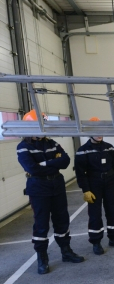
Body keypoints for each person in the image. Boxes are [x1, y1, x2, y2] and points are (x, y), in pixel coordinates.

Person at [16, 110, 85, 274]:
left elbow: (66, 161)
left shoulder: (51, 143)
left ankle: (66, 251)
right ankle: (42, 257)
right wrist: (54, 162)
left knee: (62, 219)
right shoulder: (23, 147)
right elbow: (31, 168)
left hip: (57, 185)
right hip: (39, 188)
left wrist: (44, 164)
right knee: (41, 224)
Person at [75, 117, 114, 255]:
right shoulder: (83, 151)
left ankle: (113, 238)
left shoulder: (109, 147)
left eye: (101, 131)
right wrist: (86, 190)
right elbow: (81, 173)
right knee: (95, 215)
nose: (99, 134)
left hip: (110, 183)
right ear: (89, 133)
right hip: (94, 185)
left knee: (112, 211)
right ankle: (96, 242)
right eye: (96, 131)